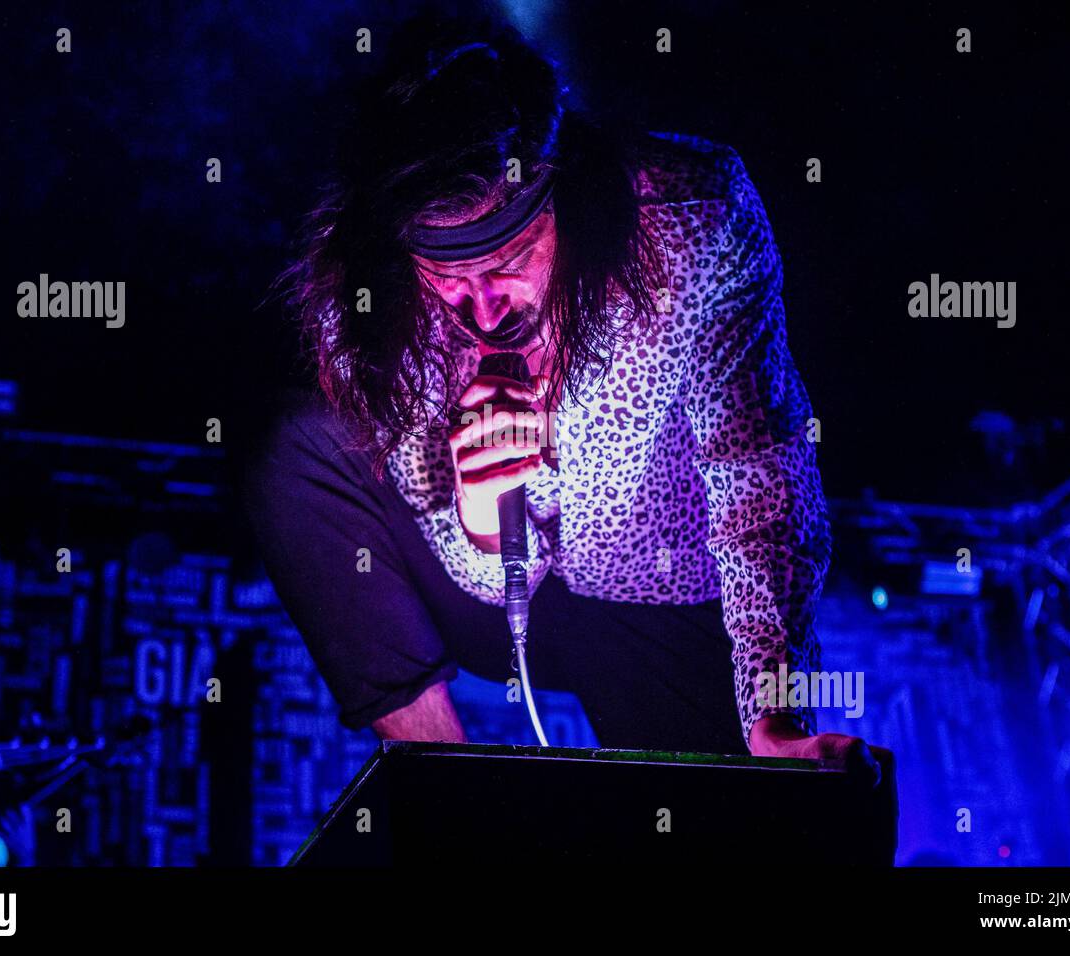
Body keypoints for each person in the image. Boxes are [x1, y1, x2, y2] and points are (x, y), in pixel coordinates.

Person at [244, 18, 889, 782]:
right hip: (499, 598)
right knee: (294, 441)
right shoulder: (383, 303)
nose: (484, 312)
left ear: (562, 200)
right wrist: (483, 528)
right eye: (450, 280)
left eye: (510, 261)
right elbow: (432, 505)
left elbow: (761, 472)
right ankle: (443, 789)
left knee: (742, 819)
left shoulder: (692, 220)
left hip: (673, 604)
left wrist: (776, 709)